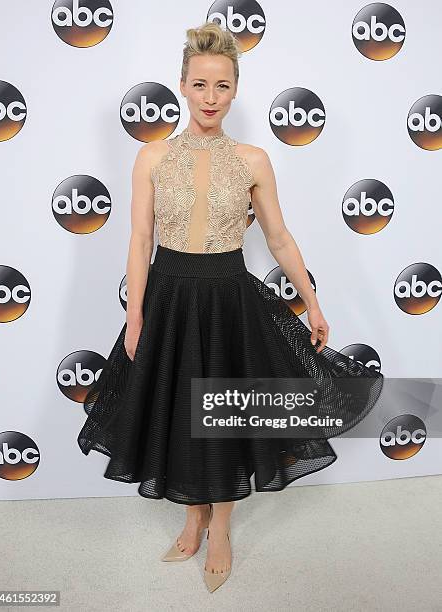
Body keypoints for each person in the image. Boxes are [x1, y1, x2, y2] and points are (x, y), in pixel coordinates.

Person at [77, 22, 384, 593]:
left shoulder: (253, 159)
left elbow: (280, 239)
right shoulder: (150, 157)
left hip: (228, 301)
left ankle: (220, 527)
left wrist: (313, 305)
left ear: (235, 90)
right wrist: (136, 316)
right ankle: (191, 519)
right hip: (167, 300)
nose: (210, 98)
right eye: (199, 85)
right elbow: (138, 242)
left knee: (220, 416)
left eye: (221, 87)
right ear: (183, 86)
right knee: (177, 416)